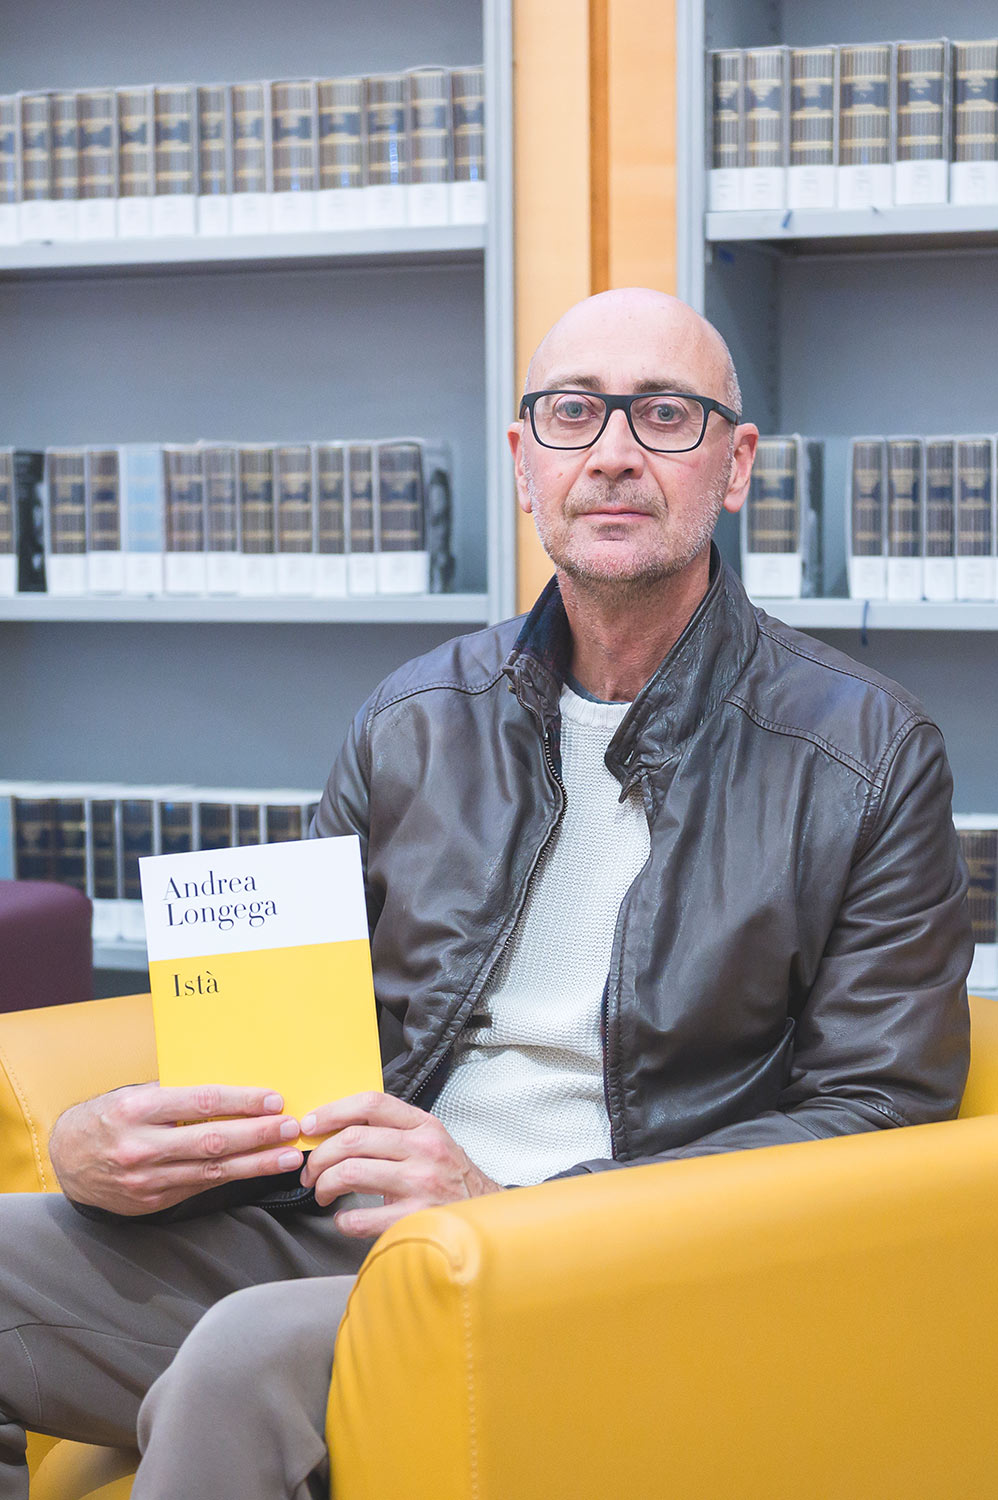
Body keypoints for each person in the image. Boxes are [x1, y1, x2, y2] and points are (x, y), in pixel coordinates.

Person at [0, 289, 972, 1500]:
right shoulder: (412, 719)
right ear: (523, 463)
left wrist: (508, 1205)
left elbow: (875, 1112)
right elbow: (287, 1030)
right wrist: (102, 1136)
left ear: (733, 467)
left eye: (664, 414)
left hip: (611, 1268)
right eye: (573, 413)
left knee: (242, 1359)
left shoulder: (865, 753)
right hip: (347, 1228)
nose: (611, 452)